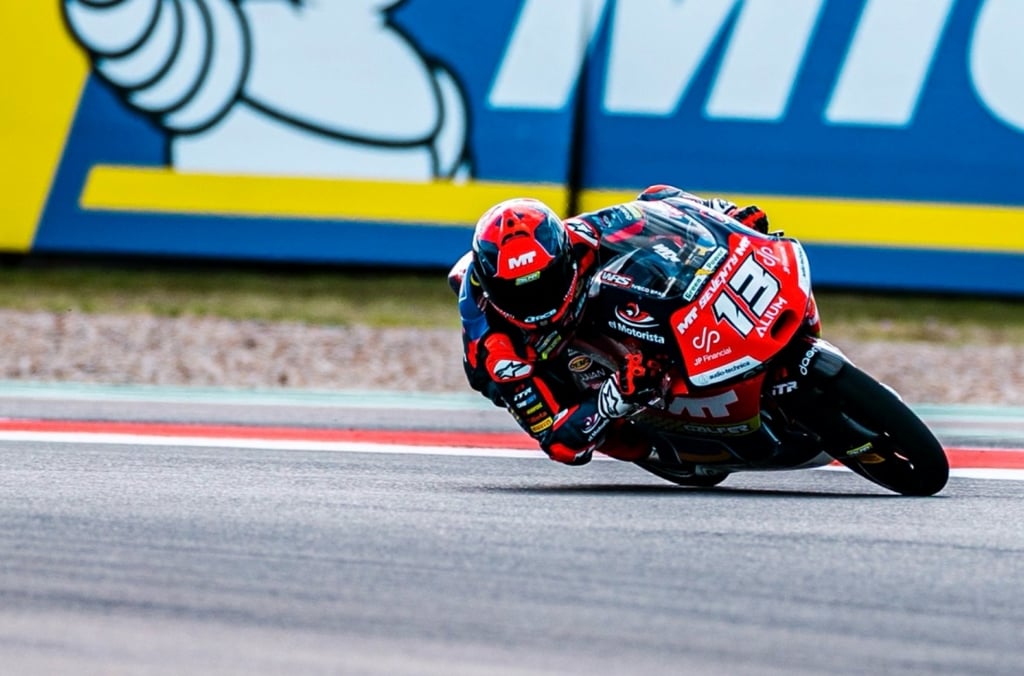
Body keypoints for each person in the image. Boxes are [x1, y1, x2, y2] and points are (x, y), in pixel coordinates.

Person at [448, 185, 770, 466]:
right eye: (519, 294)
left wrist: (727, 219)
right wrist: (612, 397)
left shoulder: (581, 236)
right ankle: (667, 445)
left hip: (584, 303)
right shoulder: (500, 355)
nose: (536, 302)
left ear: (563, 255)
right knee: (626, 443)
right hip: (535, 357)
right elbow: (560, 445)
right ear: (492, 291)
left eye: (544, 284)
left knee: (651, 211)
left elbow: (661, 203)